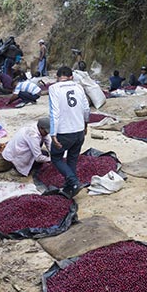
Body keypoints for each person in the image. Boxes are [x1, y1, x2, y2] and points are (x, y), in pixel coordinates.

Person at [49, 66, 91, 198]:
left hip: (64, 131)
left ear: (57, 77)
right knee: (72, 158)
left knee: (56, 157)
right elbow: (86, 108)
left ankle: (73, 182)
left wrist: (53, 134)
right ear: (71, 77)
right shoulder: (78, 87)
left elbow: (54, 112)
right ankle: (71, 187)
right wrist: (85, 124)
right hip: (79, 130)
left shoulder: (54, 88)